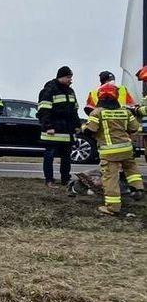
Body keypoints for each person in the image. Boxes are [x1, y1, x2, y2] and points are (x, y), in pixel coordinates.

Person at [82, 83, 145, 216]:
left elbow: (90, 129)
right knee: (131, 170)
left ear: (100, 96)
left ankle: (112, 207)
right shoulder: (125, 111)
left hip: (109, 152)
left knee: (110, 178)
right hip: (127, 149)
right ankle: (138, 189)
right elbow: (135, 128)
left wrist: (83, 128)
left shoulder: (97, 112)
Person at [37, 66, 80, 188]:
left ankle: (65, 179)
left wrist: (77, 125)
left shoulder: (70, 91)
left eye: (71, 77)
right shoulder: (49, 90)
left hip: (67, 130)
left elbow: (74, 111)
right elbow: (44, 111)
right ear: (60, 77)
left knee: (66, 156)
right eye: (68, 77)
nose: (70, 80)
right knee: (49, 155)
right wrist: (48, 126)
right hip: (52, 130)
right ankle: (49, 179)